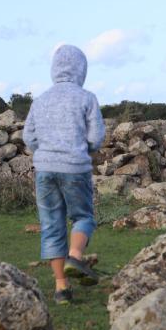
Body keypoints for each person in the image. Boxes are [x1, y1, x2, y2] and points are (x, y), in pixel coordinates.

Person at [23, 45, 104, 305]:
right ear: (82, 70)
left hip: (45, 168)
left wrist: (46, 152)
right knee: (83, 216)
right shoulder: (86, 98)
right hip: (75, 167)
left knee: (51, 226)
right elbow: (96, 138)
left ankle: (61, 288)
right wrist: (81, 149)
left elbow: (28, 137)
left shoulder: (40, 100)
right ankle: (75, 257)